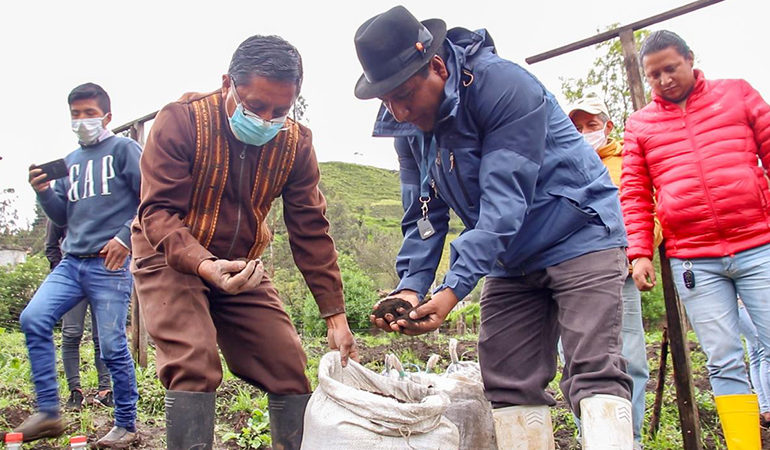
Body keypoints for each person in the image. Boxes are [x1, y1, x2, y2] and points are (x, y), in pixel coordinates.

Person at [354, 6, 633, 449]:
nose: (399, 110)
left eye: (405, 94)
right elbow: (423, 215)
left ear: (438, 67)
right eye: (386, 100)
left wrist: (451, 291)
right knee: (507, 377)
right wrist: (410, 288)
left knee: (592, 370)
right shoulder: (407, 126)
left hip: (579, 234)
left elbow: (504, 203)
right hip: (510, 257)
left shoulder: (504, 86)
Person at [131, 34, 358, 450]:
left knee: (287, 364)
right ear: (226, 84)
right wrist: (202, 264)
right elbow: (157, 213)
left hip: (241, 263)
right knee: (195, 362)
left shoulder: (295, 144)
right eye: (255, 107)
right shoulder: (181, 121)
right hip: (169, 254)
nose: (267, 120)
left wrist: (335, 316)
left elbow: (311, 231)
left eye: (280, 110)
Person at [621, 30, 770, 449]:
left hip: (759, 244)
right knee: (723, 361)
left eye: (671, 68)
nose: (664, 79)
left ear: (689, 58)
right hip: (693, 260)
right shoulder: (641, 124)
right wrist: (640, 253)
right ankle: (745, 444)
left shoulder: (736, 94)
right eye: (654, 75)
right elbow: (634, 192)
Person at [18, 82, 140, 447]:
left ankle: (127, 424)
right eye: (76, 114)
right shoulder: (69, 163)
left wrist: (125, 238)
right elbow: (60, 214)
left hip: (110, 264)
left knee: (113, 345)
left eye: (89, 113)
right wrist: (42, 191)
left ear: (107, 116)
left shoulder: (124, 149)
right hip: (72, 262)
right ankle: (49, 412)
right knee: (33, 317)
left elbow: (151, 198)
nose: (82, 120)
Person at [568, 95, 658, 448]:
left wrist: (638, 253)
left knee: (630, 357)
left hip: (619, 274)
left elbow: (647, 210)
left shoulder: (626, 162)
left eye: (592, 126)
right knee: (578, 360)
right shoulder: (560, 163)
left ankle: (629, 439)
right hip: (573, 279)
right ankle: (590, 436)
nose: (585, 133)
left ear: (607, 127)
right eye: (577, 128)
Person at [44, 220, 113, 410]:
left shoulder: (104, 205)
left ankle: (105, 391)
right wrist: (62, 274)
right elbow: (51, 246)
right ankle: (75, 391)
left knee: (103, 336)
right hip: (72, 278)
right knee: (72, 333)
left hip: (103, 276)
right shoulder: (63, 204)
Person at [738, 298, 770, 427]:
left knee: (756, 356)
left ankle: (766, 408)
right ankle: (767, 407)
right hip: (742, 304)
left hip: (744, 304)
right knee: (765, 350)